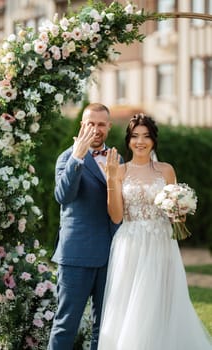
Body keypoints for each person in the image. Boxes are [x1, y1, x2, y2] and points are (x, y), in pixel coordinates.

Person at [97, 114, 212, 350]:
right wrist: (110, 178)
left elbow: (173, 210)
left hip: (161, 241)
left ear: (153, 140)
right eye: (135, 136)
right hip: (130, 243)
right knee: (131, 303)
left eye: (146, 136)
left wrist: (179, 211)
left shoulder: (166, 170)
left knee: (162, 300)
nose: (141, 141)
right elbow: (117, 216)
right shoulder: (119, 171)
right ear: (128, 140)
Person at [48, 103, 122, 350]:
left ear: (109, 127)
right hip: (76, 256)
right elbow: (63, 196)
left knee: (104, 327)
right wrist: (77, 157)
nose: (96, 129)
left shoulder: (117, 158)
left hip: (110, 255)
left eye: (101, 124)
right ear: (82, 125)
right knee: (66, 324)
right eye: (91, 123)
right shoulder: (66, 157)